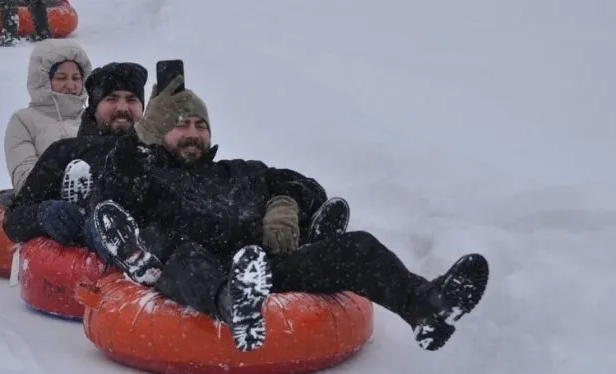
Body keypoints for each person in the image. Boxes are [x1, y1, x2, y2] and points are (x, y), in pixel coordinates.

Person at [84, 75, 490, 354]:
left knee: (358, 247)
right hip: (193, 269)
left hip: (263, 269)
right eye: (179, 125)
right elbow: (112, 188)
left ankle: (425, 305)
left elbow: (308, 187)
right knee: (189, 258)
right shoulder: (148, 175)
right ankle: (234, 304)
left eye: (199, 125)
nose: (192, 133)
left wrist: (284, 205)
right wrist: (140, 138)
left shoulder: (241, 171)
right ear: (159, 132)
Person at [2, 61, 148, 245]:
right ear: (94, 107)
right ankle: (91, 221)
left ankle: (118, 234)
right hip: (80, 253)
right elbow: (13, 222)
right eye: (111, 99)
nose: (122, 108)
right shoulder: (65, 151)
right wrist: (43, 214)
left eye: (131, 100)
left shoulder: (154, 152)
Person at [4, 38, 92, 194]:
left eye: (76, 78)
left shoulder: (92, 118)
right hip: (48, 206)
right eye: (61, 78)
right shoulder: (23, 121)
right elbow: (25, 181)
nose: (71, 85)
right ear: (43, 80)